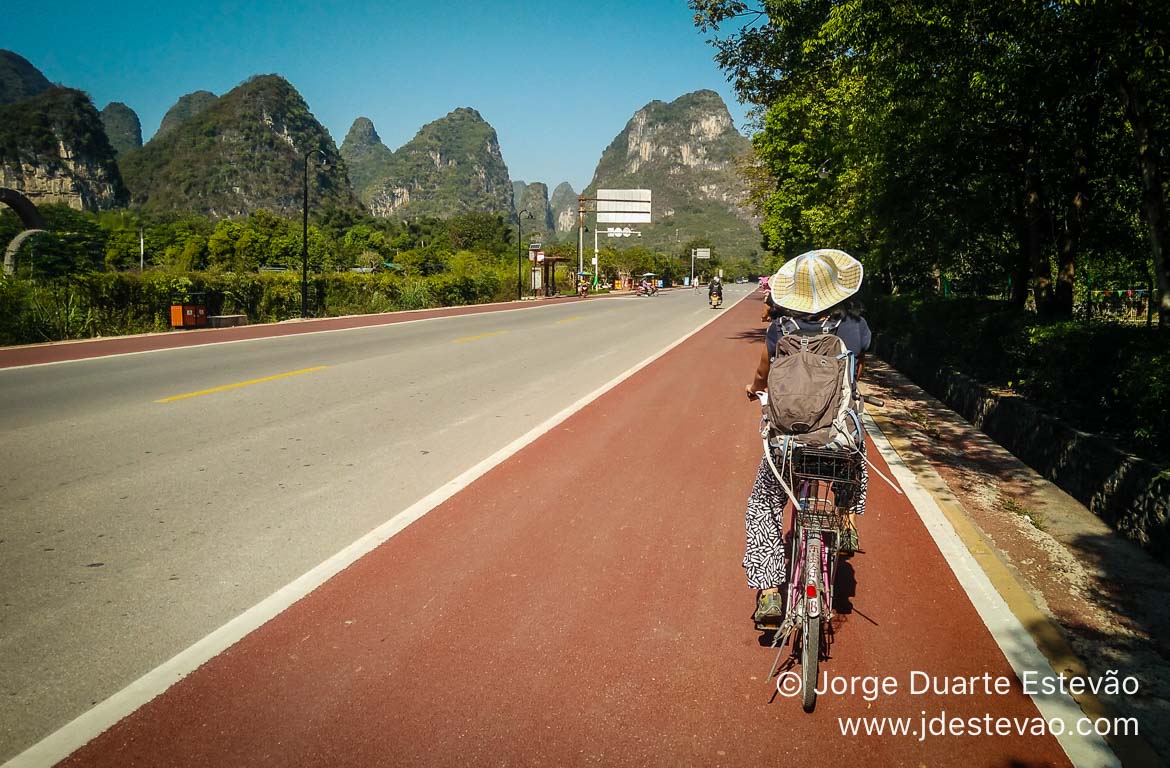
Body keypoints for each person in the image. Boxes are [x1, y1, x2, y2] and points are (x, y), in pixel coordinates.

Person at [742, 249, 872, 625]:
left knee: (763, 505)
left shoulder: (779, 329)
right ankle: (846, 517)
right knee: (855, 452)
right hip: (835, 439)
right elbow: (856, 376)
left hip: (787, 443)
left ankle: (768, 592)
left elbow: (763, 374)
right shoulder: (855, 327)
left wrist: (753, 389)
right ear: (837, 288)